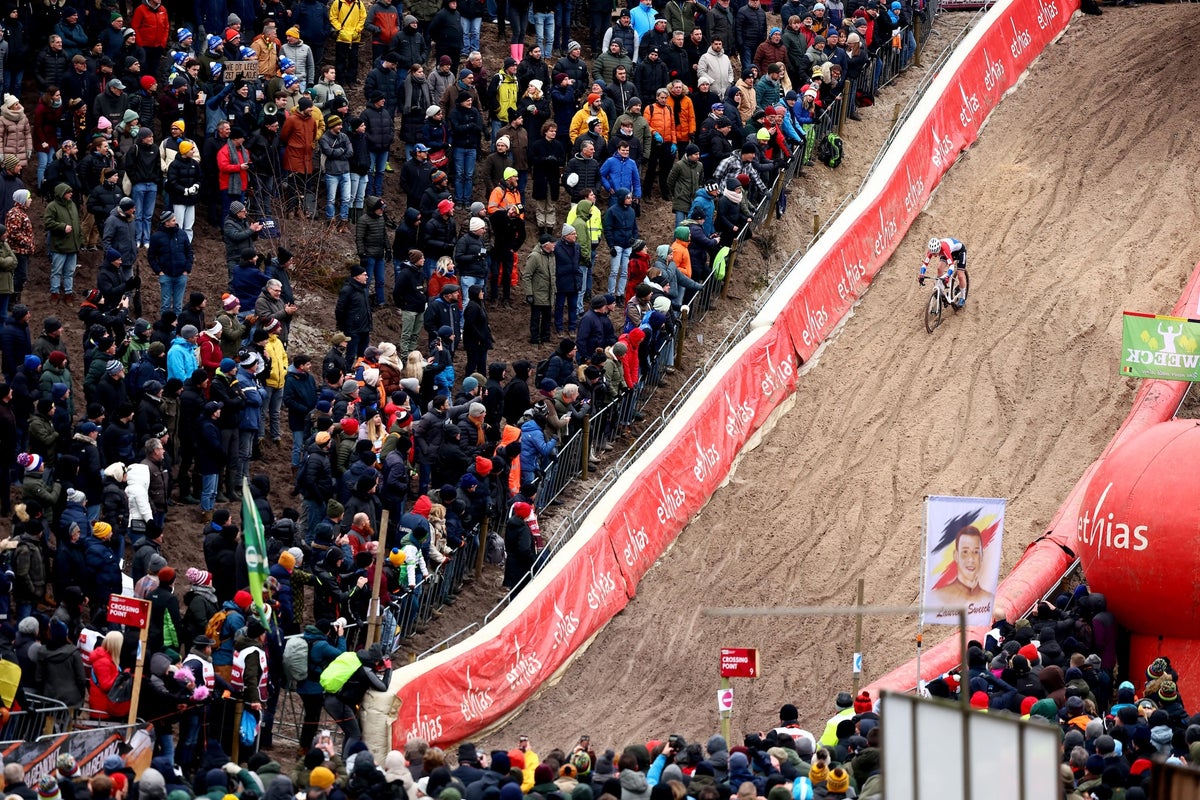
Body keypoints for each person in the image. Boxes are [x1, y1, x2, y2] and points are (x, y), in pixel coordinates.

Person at [930, 524, 994, 607]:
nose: (971, 559)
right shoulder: (937, 597)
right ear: (956, 556)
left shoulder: (989, 600)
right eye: (965, 552)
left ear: (981, 556)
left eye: (976, 552)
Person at [919, 236, 967, 307]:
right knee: (939, 269)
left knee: (960, 275)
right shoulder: (931, 250)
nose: (934, 255)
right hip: (947, 252)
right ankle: (941, 292)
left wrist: (947, 276)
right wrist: (921, 274)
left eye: (935, 253)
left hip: (959, 252)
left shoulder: (944, 248)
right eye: (933, 253)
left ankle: (963, 297)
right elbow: (925, 264)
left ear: (938, 248)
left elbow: (951, 266)